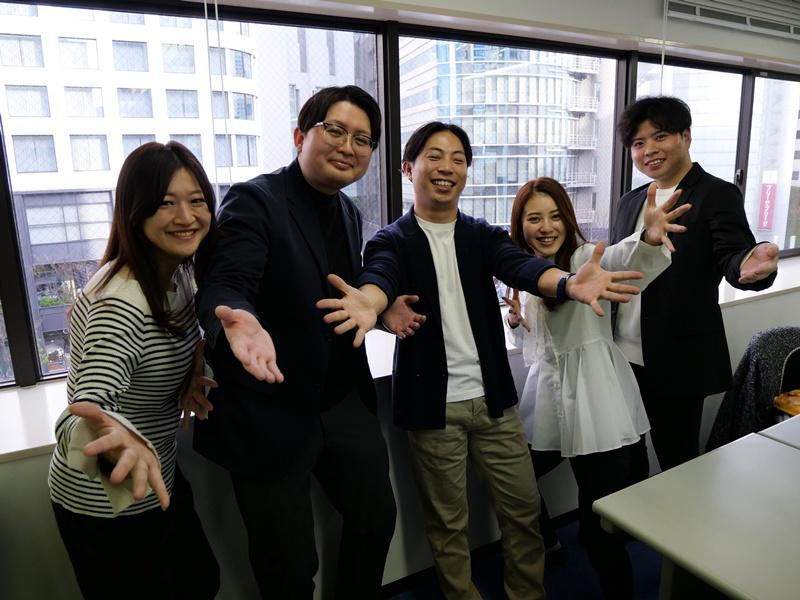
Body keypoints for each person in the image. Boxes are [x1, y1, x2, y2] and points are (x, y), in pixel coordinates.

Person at [318, 122, 645, 600]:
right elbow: (380, 276)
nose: (446, 167)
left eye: (457, 158)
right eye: (434, 156)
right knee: (449, 526)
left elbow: (523, 267)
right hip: (432, 409)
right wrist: (374, 304)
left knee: (523, 513)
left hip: (495, 405)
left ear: (467, 172)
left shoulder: (482, 236)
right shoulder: (392, 240)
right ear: (408, 168)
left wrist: (566, 283)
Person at [192, 86, 397, 600]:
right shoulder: (255, 200)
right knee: (288, 565)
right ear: (300, 136)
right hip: (269, 407)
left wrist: (381, 306)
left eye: (363, 139)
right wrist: (237, 319)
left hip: (340, 399)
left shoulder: (348, 212)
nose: (348, 146)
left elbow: (344, 294)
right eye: (336, 130)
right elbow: (227, 281)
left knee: (376, 518)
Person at [47, 141, 220, 600]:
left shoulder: (176, 271)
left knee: (202, 581)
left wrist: (192, 366)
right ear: (135, 211)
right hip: (108, 501)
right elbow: (82, 409)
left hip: (156, 472)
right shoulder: (122, 302)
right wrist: (111, 432)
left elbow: (170, 341)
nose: (186, 216)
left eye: (196, 200)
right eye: (165, 203)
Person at [504, 176, 688, 598]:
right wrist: (515, 320)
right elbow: (538, 345)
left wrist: (648, 238)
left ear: (568, 220)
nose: (546, 227)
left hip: (597, 400)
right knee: (515, 477)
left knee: (597, 529)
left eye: (555, 216)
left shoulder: (586, 256)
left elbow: (625, 257)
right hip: (550, 397)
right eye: (534, 218)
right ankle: (548, 541)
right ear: (520, 225)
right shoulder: (528, 273)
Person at [611, 96, 779, 471]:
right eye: (638, 143)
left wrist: (751, 265)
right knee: (625, 457)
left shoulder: (715, 194)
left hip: (677, 357)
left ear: (686, 137)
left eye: (660, 136)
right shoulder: (630, 202)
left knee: (678, 460)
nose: (649, 150)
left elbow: (733, 256)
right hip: (621, 355)